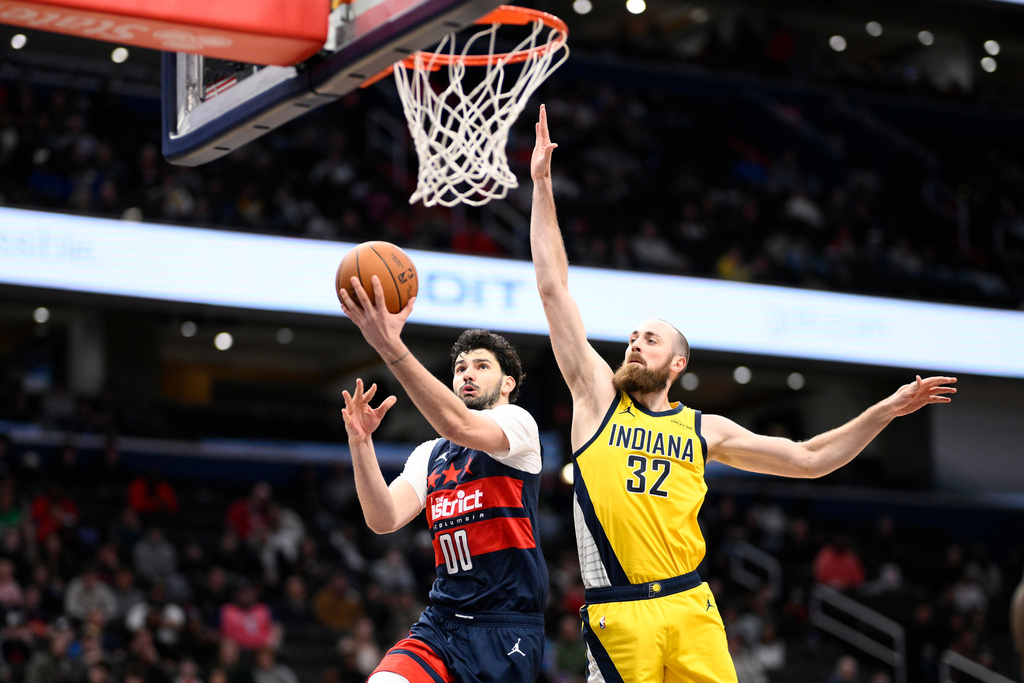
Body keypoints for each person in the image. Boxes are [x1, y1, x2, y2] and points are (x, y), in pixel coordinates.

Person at [528, 104, 957, 683]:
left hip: (692, 606)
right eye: (631, 337)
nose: (634, 345)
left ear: (677, 363)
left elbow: (809, 459)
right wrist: (542, 187)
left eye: (649, 339)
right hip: (620, 610)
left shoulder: (708, 429)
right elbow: (554, 290)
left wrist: (884, 409)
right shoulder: (597, 398)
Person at [338, 280, 547, 683]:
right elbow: (383, 518)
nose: (467, 374)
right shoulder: (431, 453)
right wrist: (361, 443)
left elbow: (458, 422)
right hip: (441, 622)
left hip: (505, 626)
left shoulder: (518, 425)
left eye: (481, 366)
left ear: (508, 384)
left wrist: (389, 345)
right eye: (460, 368)